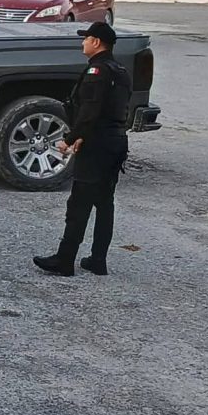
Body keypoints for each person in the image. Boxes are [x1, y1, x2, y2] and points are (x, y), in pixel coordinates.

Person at [34, 22, 132, 277]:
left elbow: (90, 110)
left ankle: (64, 260)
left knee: (79, 203)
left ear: (96, 42)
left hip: (97, 144)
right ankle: (98, 260)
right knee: (104, 202)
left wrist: (71, 138)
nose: (83, 42)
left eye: (86, 38)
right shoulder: (121, 71)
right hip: (116, 141)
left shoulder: (97, 71)